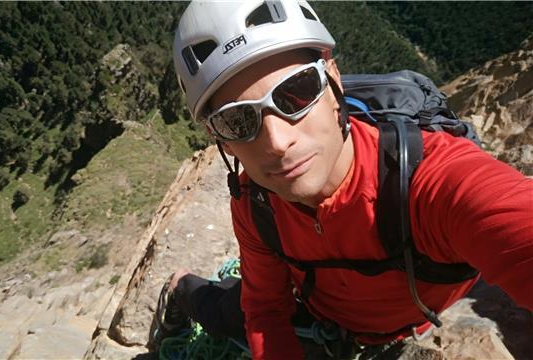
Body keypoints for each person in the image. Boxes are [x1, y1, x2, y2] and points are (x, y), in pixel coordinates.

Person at [150, 1, 533, 359]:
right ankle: (181, 287)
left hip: (377, 320)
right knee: (225, 313)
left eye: (296, 93)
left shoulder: (423, 180)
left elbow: (506, 216)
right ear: (222, 142)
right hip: (316, 310)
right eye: (238, 121)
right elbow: (266, 309)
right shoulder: (255, 202)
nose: (278, 143)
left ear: (333, 80)